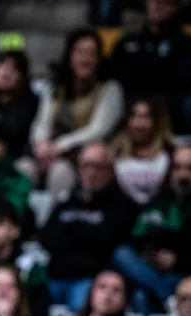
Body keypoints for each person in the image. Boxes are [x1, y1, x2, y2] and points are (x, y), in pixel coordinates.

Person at [39, 144, 139, 312]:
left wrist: (73, 234)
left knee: (80, 310)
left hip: (90, 279)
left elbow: (109, 241)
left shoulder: (123, 205)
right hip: (55, 276)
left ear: (111, 170)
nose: (91, 173)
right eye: (86, 166)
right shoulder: (67, 202)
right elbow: (47, 238)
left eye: (98, 167)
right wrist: (86, 235)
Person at [29, 28, 125, 196]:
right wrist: (41, 144)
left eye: (91, 54)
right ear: (69, 56)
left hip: (87, 156)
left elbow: (98, 130)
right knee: (23, 169)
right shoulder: (54, 87)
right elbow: (42, 122)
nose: (85, 59)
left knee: (60, 172)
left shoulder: (110, 89)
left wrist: (58, 147)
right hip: (51, 152)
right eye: (80, 52)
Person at [115, 143, 191, 311]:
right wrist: (149, 254)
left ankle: (167, 297)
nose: (183, 175)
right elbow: (138, 234)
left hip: (188, 275)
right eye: (178, 168)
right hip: (152, 270)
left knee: (143, 294)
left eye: (190, 168)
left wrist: (177, 261)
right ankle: (169, 299)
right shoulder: (161, 199)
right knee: (122, 255)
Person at [109, 0, 191, 102]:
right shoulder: (128, 40)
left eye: (164, 2)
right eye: (153, 0)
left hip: (167, 109)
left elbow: (182, 85)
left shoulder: (184, 43)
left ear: (175, 7)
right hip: (130, 107)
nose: (157, 6)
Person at [111, 98, 174, 206]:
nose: (139, 124)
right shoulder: (114, 152)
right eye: (135, 117)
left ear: (157, 122)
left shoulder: (170, 152)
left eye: (146, 117)